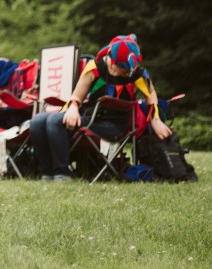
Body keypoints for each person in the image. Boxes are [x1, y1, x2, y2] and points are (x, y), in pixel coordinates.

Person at [29, 34, 172, 181]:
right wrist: (72, 108)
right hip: (91, 118)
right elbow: (77, 96)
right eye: (121, 69)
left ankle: (61, 173)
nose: (125, 73)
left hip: (115, 126)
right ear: (110, 61)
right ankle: (47, 173)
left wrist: (155, 119)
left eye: (127, 70)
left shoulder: (136, 73)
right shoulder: (95, 68)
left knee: (54, 121)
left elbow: (151, 93)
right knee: (37, 121)